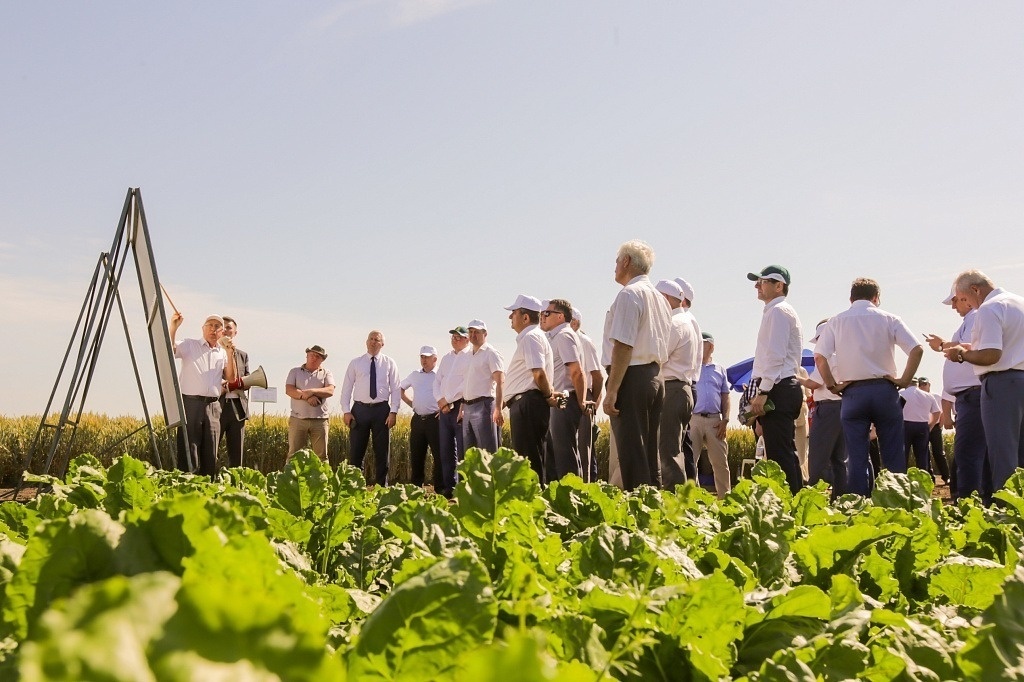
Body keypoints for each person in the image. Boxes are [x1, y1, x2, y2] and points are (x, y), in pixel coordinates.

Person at [814, 278, 923, 496]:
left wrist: (832, 385)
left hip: (853, 393)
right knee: (893, 453)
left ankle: (859, 504)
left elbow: (820, 357)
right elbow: (917, 349)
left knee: (856, 456)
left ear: (851, 299)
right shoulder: (890, 319)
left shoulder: (836, 321)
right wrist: (903, 380)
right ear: (876, 298)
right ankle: (896, 501)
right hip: (885, 390)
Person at [943, 269, 1024, 495]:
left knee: (1002, 454)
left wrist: (961, 354)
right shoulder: (1019, 302)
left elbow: (991, 355)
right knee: (1021, 453)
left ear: (975, 289)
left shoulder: (989, 308)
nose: (969, 305)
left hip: (1001, 385)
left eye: (965, 299)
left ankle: (1006, 514)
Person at [601, 240, 672, 490]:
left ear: (627, 261)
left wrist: (612, 390)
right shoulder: (661, 300)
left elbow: (623, 345)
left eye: (617, 261)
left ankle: (638, 514)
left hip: (631, 376)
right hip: (655, 376)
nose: (615, 266)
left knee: (632, 453)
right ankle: (654, 509)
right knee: (649, 453)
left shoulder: (629, 294)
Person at [745, 265, 805, 494]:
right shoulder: (779, 311)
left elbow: (775, 354)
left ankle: (790, 505)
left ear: (779, 286)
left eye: (763, 281)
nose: (757, 285)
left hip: (778, 387)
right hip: (783, 385)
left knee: (780, 454)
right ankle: (796, 502)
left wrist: (763, 390)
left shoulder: (778, 311)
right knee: (785, 451)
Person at [926, 286, 986, 501]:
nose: (953, 306)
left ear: (968, 300)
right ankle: (975, 499)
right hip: (970, 396)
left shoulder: (976, 316)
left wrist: (942, 345)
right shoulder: (971, 319)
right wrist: (943, 345)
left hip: (973, 394)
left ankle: (969, 502)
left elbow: (971, 346)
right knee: (973, 453)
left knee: (968, 453)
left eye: (955, 300)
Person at [169, 312, 237, 476]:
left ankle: (207, 487)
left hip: (213, 406)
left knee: (210, 450)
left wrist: (230, 352)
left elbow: (231, 378)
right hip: (191, 404)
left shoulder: (222, 352)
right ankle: (186, 486)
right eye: (210, 325)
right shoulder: (190, 345)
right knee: (189, 449)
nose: (214, 329)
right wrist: (174, 327)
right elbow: (169, 350)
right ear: (203, 328)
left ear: (222, 332)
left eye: (217, 327)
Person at [504, 294, 556, 479]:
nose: (510, 317)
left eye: (514, 313)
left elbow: (539, 373)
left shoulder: (530, 338)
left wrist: (549, 395)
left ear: (525, 317)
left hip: (527, 404)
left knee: (529, 461)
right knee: (531, 457)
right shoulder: (533, 337)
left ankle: (534, 502)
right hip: (527, 403)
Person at [655, 279, 701, 489]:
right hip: (682, 388)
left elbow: (658, 356)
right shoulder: (688, 322)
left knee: (668, 451)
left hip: (672, 389)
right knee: (676, 449)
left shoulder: (674, 324)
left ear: (665, 298)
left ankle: (674, 501)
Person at [340, 330, 401, 486]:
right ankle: (355, 487)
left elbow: (395, 388)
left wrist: (393, 411)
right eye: (371, 339)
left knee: (382, 452)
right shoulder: (355, 363)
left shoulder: (389, 363)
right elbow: (347, 387)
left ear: (382, 344)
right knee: (356, 452)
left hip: (382, 411)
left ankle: (382, 488)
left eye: (377, 340)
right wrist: (346, 411)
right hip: (359, 411)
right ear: (366, 342)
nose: (374, 342)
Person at [540, 298, 586, 481]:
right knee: (553, 458)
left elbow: (576, 371)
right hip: (557, 401)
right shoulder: (555, 337)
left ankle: (573, 500)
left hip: (564, 401)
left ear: (560, 316)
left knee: (564, 457)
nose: (543, 316)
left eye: (547, 313)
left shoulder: (564, 336)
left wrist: (581, 401)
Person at [801, 320, 846, 496]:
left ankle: (812, 498)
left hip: (827, 409)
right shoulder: (845, 355)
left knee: (818, 457)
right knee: (839, 459)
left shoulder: (825, 357)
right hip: (843, 407)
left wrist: (798, 378)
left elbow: (814, 383)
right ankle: (841, 497)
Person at [689, 331, 731, 497]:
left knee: (720, 462)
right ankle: (693, 498)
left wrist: (725, 420)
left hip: (715, 421)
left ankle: (725, 499)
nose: (698, 346)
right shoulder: (691, 368)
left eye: (702, 343)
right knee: (690, 461)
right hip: (694, 419)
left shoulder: (719, 369)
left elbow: (725, 396)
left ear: (711, 347)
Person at [434, 325, 472, 498]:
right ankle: (450, 487)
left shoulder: (470, 356)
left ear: (467, 339)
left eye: (459, 337)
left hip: (459, 406)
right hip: (444, 408)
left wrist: (453, 401)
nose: (455, 340)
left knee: (463, 450)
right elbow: (437, 381)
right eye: (453, 337)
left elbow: (467, 383)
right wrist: (441, 400)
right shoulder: (446, 358)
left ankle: (464, 487)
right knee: (446, 450)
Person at [400, 346, 443, 490]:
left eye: (427, 357)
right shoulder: (414, 375)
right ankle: (416, 489)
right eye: (422, 357)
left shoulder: (441, 375)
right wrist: (412, 404)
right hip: (418, 420)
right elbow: (400, 389)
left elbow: (451, 391)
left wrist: (443, 408)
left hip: (435, 420)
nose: (424, 360)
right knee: (417, 456)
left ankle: (440, 489)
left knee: (439, 456)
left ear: (435, 359)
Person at [674, 277, 703, 481]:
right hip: (689, 384)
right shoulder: (691, 321)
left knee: (680, 444)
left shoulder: (683, 321)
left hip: (682, 383)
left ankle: (688, 488)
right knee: (684, 443)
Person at [460, 320, 505, 453]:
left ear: (485, 334)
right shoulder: (467, 355)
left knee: (487, 451)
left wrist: (498, 408)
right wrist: (462, 406)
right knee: (471, 454)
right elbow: (467, 382)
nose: (473, 335)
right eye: (471, 332)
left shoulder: (491, 353)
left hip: (484, 406)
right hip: (467, 407)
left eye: (477, 332)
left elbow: (500, 381)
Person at [285, 345, 335, 462]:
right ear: (307, 356)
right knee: (293, 455)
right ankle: (290, 480)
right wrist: (306, 397)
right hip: (298, 419)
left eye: (317, 356)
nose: (314, 358)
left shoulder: (326, 373)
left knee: (321, 456)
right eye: (312, 355)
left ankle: (322, 480)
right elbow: (289, 390)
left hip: (320, 420)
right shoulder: (295, 372)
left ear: (322, 360)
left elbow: (330, 390)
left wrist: (311, 392)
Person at [571, 308, 604, 482]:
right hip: (571, 396)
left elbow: (597, 376)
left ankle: (587, 489)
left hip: (584, 397)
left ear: (574, 323)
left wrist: (592, 402)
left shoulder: (584, 341)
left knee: (584, 451)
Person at [218, 316, 249, 468]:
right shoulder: (213, 352)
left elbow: (248, 380)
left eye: (229, 327)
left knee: (236, 452)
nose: (225, 330)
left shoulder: (243, 355)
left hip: (237, 407)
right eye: (223, 327)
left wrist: (239, 383)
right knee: (211, 449)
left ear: (235, 332)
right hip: (218, 406)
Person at [901, 378, 939, 475]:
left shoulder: (901, 394)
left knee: (903, 455)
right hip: (922, 425)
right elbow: (937, 412)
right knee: (922, 456)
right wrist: (931, 425)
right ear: (917, 384)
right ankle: (922, 481)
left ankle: (901, 480)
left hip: (905, 425)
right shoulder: (928, 396)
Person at [918, 377, 951, 482]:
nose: (923, 386)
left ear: (929, 385)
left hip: (935, 427)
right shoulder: (917, 397)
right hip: (923, 426)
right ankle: (930, 477)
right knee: (925, 452)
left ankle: (946, 476)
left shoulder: (936, 397)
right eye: (921, 385)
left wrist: (940, 425)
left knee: (939, 452)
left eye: (925, 384)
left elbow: (941, 412)